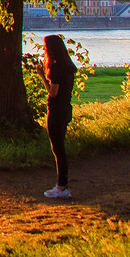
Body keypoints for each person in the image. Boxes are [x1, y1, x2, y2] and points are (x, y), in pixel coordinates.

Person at [42, 34, 77, 199]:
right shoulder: (68, 67)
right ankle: (63, 186)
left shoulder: (56, 68)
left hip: (56, 111)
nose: (44, 49)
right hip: (66, 109)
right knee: (60, 148)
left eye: (45, 47)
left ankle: (62, 187)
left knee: (58, 149)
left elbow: (53, 92)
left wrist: (42, 76)